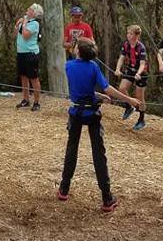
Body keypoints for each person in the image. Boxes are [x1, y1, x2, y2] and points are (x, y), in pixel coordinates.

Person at [57, 37, 141, 212]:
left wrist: (98, 96)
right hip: (92, 115)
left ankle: (64, 189)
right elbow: (107, 88)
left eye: (76, 46)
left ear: (78, 51)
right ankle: (107, 198)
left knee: (71, 149)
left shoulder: (69, 65)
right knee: (98, 154)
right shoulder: (93, 67)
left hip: (76, 113)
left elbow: (81, 90)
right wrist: (129, 100)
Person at [114, 24, 148, 131]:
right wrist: (117, 69)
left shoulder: (141, 47)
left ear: (136, 36)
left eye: (131, 33)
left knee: (139, 98)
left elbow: (143, 63)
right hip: (130, 69)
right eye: (127, 33)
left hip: (141, 73)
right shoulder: (126, 45)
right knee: (122, 88)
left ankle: (141, 119)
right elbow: (121, 58)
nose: (128, 35)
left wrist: (138, 73)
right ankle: (129, 106)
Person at [14, 4, 43, 111]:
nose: (27, 10)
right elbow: (16, 34)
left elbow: (26, 36)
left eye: (29, 9)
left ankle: (36, 102)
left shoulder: (34, 23)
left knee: (33, 77)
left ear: (34, 13)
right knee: (23, 76)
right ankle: (25, 99)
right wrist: (17, 25)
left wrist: (24, 23)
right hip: (21, 52)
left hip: (31, 53)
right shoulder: (24, 22)